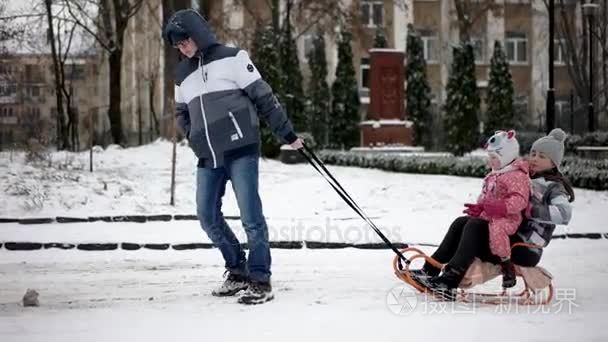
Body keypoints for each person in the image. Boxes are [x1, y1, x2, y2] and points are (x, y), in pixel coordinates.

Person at [162, 9, 303, 305]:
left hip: (241, 151)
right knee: (207, 216)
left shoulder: (234, 58)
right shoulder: (181, 74)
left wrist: (287, 135)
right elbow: (181, 112)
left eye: (185, 41)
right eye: (177, 45)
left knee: (251, 217)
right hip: (208, 156)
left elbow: (264, 97)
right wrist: (194, 137)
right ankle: (237, 269)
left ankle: (260, 279)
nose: (182, 48)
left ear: (197, 34)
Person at [411, 129, 574, 300]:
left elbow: (564, 214)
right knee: (463, 222)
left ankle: (450, 281)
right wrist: (483, 208)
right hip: (506, 236)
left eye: (542, 156)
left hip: (525, 248)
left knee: (475, 226)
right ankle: (429, 270)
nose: (534, 158)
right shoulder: (523, 176)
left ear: (554, 163)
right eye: (533, 153)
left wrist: (531, 209)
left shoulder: (554, 187)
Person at [463, 130, 530, 288]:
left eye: (494, 158)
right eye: (490, 157)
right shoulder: (495, 174)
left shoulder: (516, 175)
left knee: (497, 228)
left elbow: (519, 200)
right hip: (491, 215)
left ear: (506, 156)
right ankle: (465, 260)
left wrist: (502, 207)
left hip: (508, 218)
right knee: (469, 225)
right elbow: (486, 195)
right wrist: (480, 207)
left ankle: (506, 263)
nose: (491, 161)